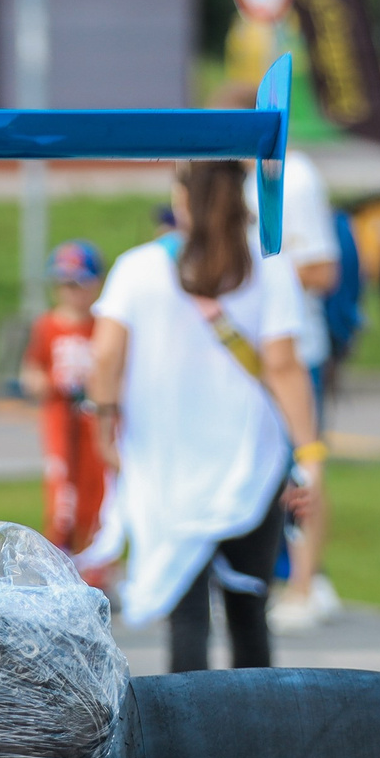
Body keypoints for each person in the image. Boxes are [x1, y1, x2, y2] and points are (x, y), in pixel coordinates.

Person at [82, 159, 322, 672]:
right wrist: (310, 453)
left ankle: (187, 737)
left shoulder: (138, 268)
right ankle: (258, 731)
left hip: (166, 466)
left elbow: (105, 356)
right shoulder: (268, 267)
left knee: (186, 617)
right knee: (249, 611)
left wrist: (105, 423)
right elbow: (283, 365)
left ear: (183, 199)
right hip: (251, 464)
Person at [215, 82, 343, 632]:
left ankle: (303, 584)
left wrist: (263, 271)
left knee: (299, 465)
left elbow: (323, 270)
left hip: (290, 345)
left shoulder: (297, 177)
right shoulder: (220, 180)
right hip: (232, 352)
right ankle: (254, 576)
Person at [20, 240, 108, 563]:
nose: (71, 292)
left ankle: (92, 561)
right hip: (59, 417)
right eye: (64, 284)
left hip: (94, 421)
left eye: (78, 284)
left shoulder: (102, 325)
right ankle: (57, 558)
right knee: (61, 494)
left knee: (93, 492)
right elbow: (31, 371)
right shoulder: (48, 325)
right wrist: (49, 383)